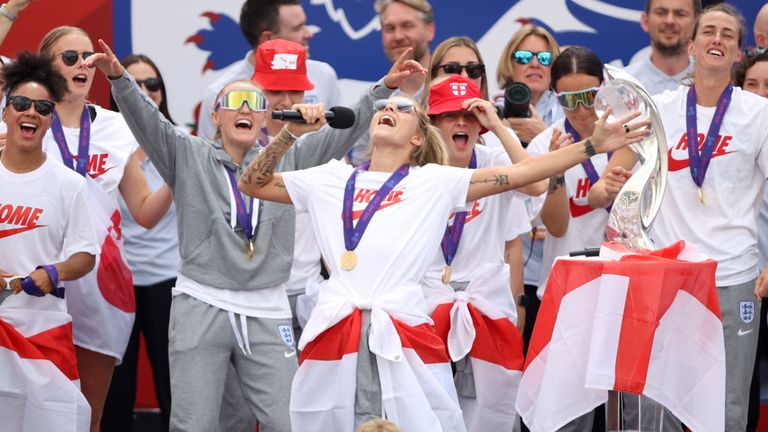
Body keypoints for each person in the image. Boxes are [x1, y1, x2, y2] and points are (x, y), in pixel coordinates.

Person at [237, 82, 647, 432]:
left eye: (402, 108)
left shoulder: (434, 181)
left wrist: (592, 145)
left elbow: (525, 174)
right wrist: (289, 134)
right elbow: (251, 184)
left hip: (403, 328)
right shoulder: (329, 177)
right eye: (382, 106)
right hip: (335, 325)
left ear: (419, 137)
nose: (388, 109)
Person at [88, 37, 425, 432]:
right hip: (203, 299)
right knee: (193, 424)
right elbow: (150, 122)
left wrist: (384, 88)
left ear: (266, 118)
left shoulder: (292, 156)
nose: (245, 109)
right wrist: (118, 77)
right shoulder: (188, 153)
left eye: (255, 104)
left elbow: (341, 135)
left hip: (267, 305)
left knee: (289, 423)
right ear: (215, 116)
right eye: (234, 103)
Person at [590, 5, 768, 430]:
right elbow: (607, 185)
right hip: (667, 274)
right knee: (660, 402)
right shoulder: (658, 110)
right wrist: (607, 187)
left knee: (728, 405)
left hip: (734, 275)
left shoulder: (759, 115)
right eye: (708, 31)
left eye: (728, 35)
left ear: (739, 54)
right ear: (691, 45)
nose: (717, 40)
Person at [38, 26, 172, 431]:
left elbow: (144, 213)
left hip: (100, 282)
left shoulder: (116, 127)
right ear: (46, 65)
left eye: (89, 58)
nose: (83, 65)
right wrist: (9, 11)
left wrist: (177, 177)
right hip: (40, 275)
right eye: (70, 57)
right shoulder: (26, 117)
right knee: (34, 406)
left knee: (89, 415)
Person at [421, 74, 533, 432]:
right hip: (427, 300)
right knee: (426, 410)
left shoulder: (492, 159)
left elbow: (536, 183)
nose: (461, 122)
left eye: (470, 114)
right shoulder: (414, 170)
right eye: (449, 114)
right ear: (431, 122)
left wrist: (498, 125)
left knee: (494, 411)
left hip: (486, 300)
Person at [0, 51, 98, 431]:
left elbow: (85, 254)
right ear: (7, 112)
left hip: (44, 329)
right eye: (21, 103)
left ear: (50, 118)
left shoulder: (68, 184)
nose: (32, 113)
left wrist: (52, 272)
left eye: (42, 107)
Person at [101, 53, 180, 432]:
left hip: (172, 280)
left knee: (175, 388)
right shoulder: (102, 143)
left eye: (153, 84)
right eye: (136, 84)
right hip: (117, 281)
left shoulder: (183, 143)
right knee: (116, 390)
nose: (147, 92)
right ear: (118, 91)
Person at [495, 24, 564, 356]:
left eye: (544, 57)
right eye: (524, 56)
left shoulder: (569, 116)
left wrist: (544, 134)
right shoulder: (488, 113)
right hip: (503, 268)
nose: (534, 63)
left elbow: (582, 169)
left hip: (552, 264)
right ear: (509, 65)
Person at [197, 0, 340, 140]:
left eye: (297, 90)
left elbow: (337, 144)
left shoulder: (324, 74)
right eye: (297, 28)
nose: (309, 34)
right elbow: (209, 160)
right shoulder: (218, 93)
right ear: (268, 39)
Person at [348, 0, 435, 165]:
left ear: (429, 30)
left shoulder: (448, 90)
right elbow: (362, 165)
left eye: (407, 26)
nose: (398, 36)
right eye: (389, 28)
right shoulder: (375, 99)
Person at [734, 44, 768, 432]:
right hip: (747, 279)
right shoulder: (731, 137)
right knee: (745, 382)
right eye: (751, 84)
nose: (760, 93)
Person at [623, 0, 701, 95]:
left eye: (680, 14)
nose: (669, 21)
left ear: (696, 24)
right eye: (661, 13)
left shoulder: (713, 84)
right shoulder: (623, 84)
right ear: (645, 21)